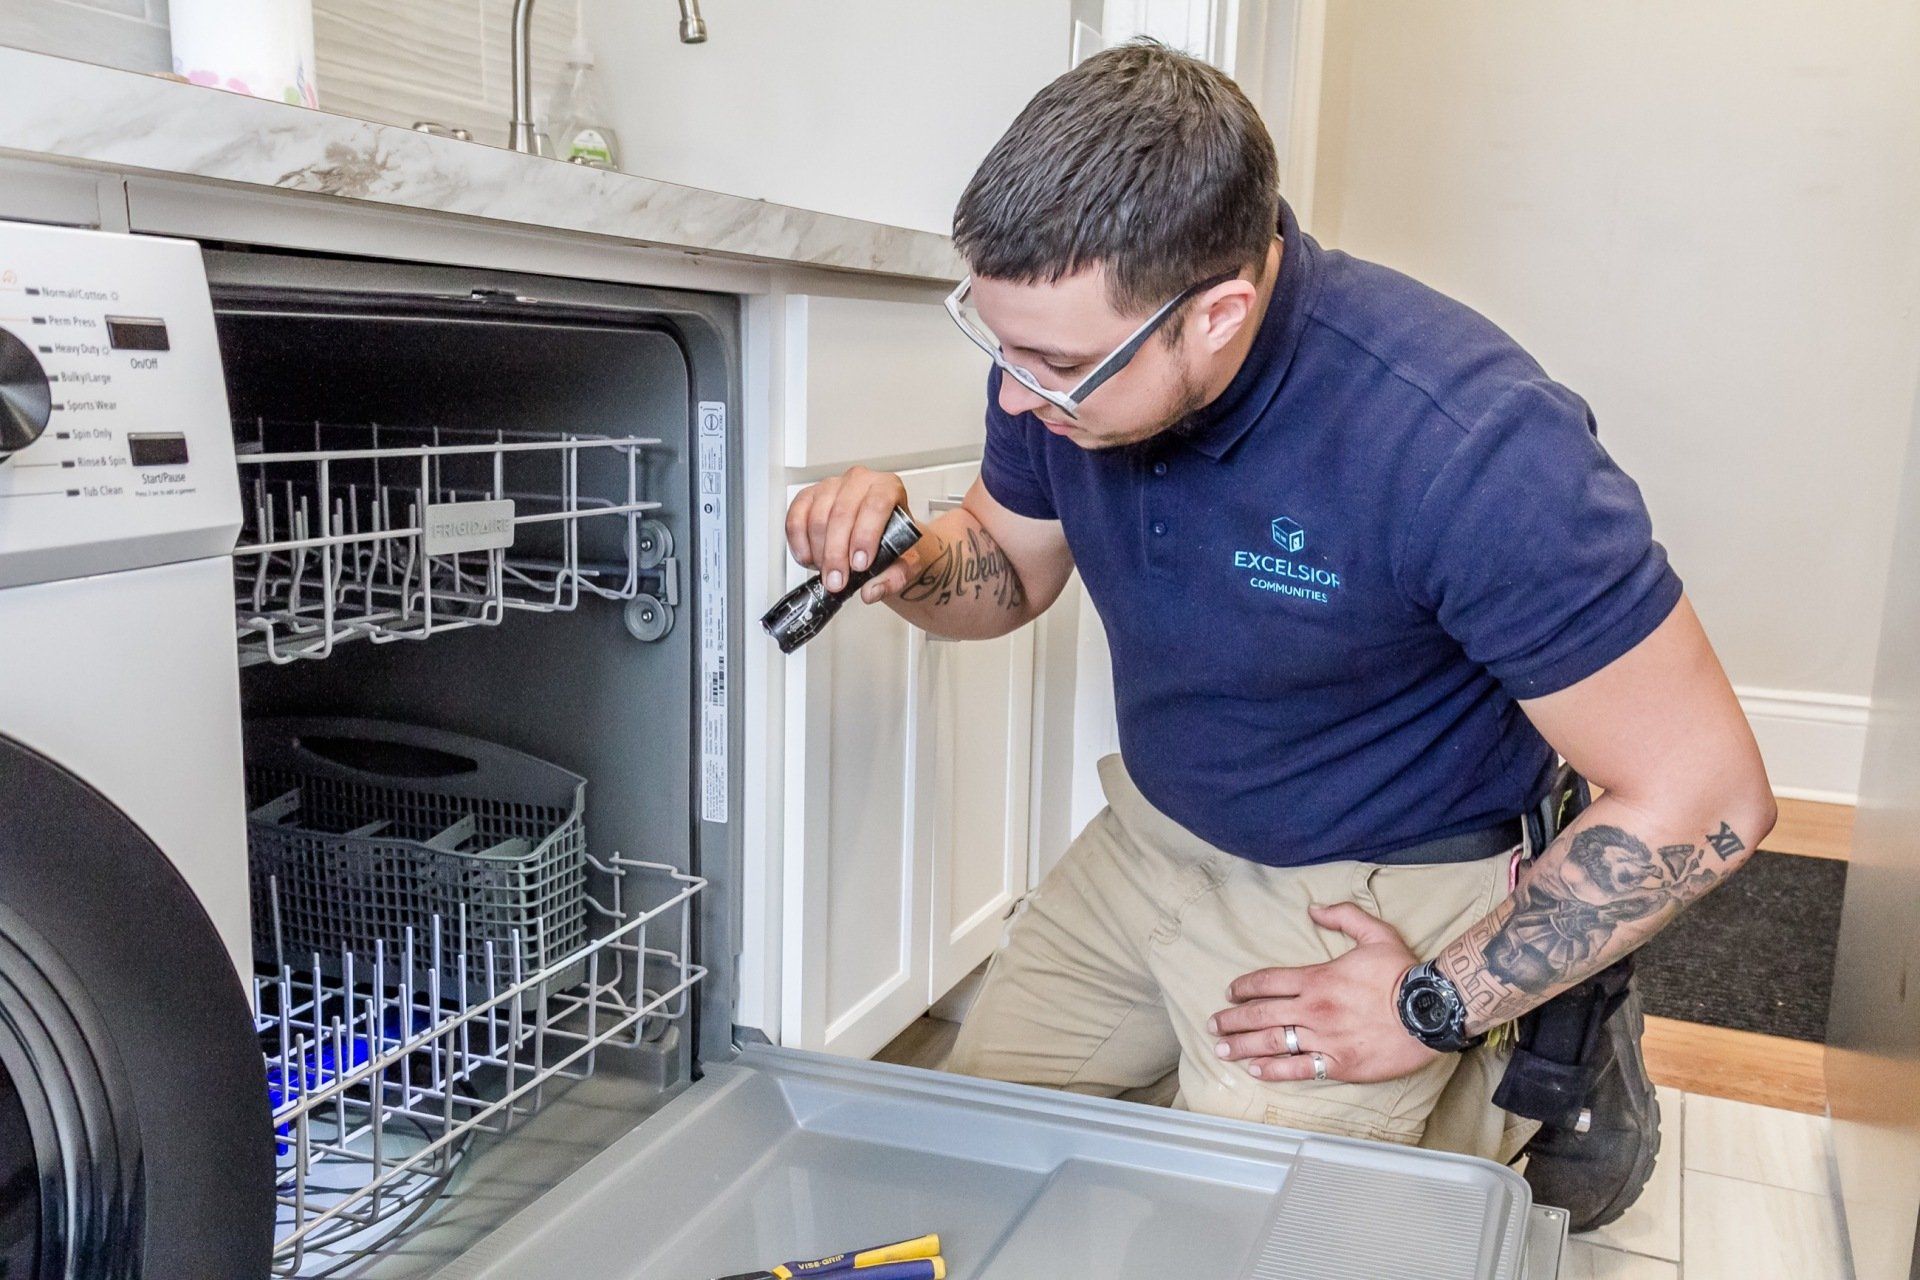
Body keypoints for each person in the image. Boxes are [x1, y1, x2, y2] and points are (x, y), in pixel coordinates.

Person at [781, 39, 1773, 1229]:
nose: (1013, 395)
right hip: (1153, 837)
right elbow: (1007, 572)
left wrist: (1431, 1003)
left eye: (1053, 366)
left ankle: (1533, 1058)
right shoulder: (1064, 374)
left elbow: (1708, 793)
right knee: (963, 1150)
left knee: (1251, 1231)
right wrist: (909, 557)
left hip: (1372, 893)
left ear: (1218, 314)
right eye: (999, 348)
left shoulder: (1469, 442)